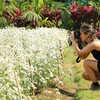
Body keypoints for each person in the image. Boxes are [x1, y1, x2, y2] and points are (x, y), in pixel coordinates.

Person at [70, 23, 100, 91]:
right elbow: (83, 56)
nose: (80, 36)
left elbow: (79, 53)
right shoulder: (91, 43)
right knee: (85, 75)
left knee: (86, 63)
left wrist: (74, 42)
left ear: (87, 35)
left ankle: (95, 85)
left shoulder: (94, 44)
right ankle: (95, 85)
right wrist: (78, 45)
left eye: (81, 34)